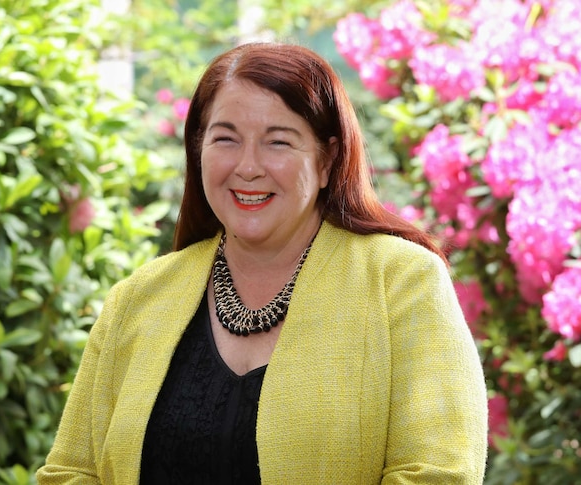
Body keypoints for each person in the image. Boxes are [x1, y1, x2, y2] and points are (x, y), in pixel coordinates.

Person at [37, 42, 487, 484]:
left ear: (327, 159)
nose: (248, 167)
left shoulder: (403, 282)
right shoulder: (137, 299)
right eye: (226, 139)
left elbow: (439, 474)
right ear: (198, 150)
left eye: (278, 142)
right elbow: (70, 472)